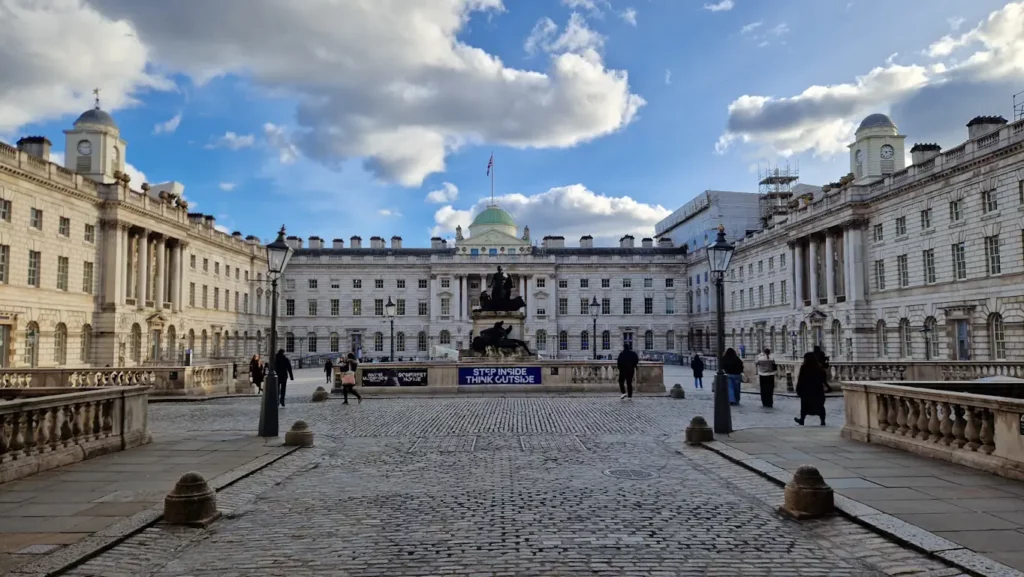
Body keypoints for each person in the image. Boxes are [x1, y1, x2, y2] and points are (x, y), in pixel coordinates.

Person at [795, 352, 827, 426]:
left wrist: (798, 389)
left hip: (807, 390)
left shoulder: (804, 367)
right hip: (817, 390)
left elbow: (801, 379)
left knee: (804, 406)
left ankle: (802, 420)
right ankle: (822, 420)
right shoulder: (819, 367)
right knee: (820, 406)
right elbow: (823, 378)